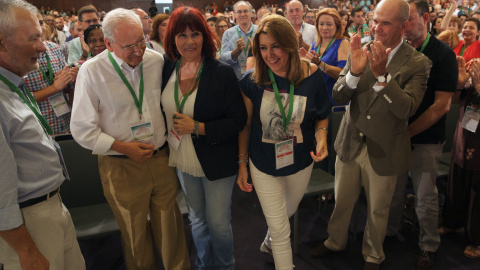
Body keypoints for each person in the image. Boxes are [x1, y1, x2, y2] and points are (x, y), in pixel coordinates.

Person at [309, 1, 432, 269]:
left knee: (378, 210)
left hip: (385, 148)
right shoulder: (361, 49)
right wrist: (353, 72)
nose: (376, 27)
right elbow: (338, 95)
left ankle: (373, 255)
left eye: (385, 23)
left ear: (404, 25)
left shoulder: (419, 63)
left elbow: (406, 109)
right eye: (375, 20)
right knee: (342, 201)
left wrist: (383, 78)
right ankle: (334, 241)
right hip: (351, 142)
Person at [70, 8, 190, 270]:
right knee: (135, 235)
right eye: (129, 46)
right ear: (108, 43)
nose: (138, 51)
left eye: (141, 41)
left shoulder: (155, 60)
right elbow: (81, 129)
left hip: (160, 158)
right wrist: (123, 147)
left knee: (171, 228)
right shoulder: (92, 72)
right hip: (120, 165)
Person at [237, 14, 331, 270]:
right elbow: (244, 126)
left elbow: (321, 116)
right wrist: (242, 163)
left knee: (285, 213)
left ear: (289, 44)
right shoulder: (251, 81)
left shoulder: (311, 75)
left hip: (301, 161)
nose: (269, 55)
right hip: (264, 163)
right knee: (281, 230)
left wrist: (322, 138)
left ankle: (269, 238)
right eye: (263, 48)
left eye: (275, 46)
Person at [0, 0, 85, 269]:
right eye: (33, 38)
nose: (42, 46)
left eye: (41, 36)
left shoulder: (15, 84)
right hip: (28, 223)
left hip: (50, 206)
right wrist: (26, 250)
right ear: (2, 44)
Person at [161, 7, 247, 269]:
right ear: (172, 39)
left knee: (219, 223)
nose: (189, 41)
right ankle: (203, 265)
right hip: (182, 157)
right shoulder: (166, 69)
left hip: (217, 159)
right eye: (182, 35)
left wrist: (199, 127)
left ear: (205, 36)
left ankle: (225, 266)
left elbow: (238, 120)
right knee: (197, 219)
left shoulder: (220, 72)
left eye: (195, 34)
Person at [386, 1, 458, 269]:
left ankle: (428, 245)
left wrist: (407, 132)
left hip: (425, 138)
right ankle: (390, 231)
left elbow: (442, 106)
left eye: (409, 19)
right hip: (396, 135)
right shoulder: (396, 49)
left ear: (425, 18)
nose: (403, 26)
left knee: (425, 195)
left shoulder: (442, 54)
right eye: (400, 21)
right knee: (391, 191)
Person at [440, 55, 480, 260]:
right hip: (466, 132)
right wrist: (459, 83)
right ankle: (452, 223)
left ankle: (477, 239)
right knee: (457, 180)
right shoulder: (476, 64)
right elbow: (456, 101)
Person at [24, 12, 78, 136]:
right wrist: (53, 88)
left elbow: (67, 87)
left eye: (41, 23)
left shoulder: (54, 48)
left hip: (65, 122)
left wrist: (70, 76)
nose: (40, 28)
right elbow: (20, 99)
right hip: (40, 129)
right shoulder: (20, 56)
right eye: (34, 24)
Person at [300, 8, 350, 107]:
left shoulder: (343, 43)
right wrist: (301, 62)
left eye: (329, 24)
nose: (324, 27)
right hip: (317, 99)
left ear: (337, 25)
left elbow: (343, 75)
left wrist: (320, 64)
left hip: (335, 100)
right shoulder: (314, 45)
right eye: (321, 24)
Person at [221, 1, 258, 79]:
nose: (242, 14)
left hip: (257, 77)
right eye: (239, 12)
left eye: (245, 11)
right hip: (234, 79)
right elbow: (223, 58)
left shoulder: (259, 31)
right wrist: (236, 51)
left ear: (251, 13)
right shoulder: (228, 33)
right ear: (234, 14)